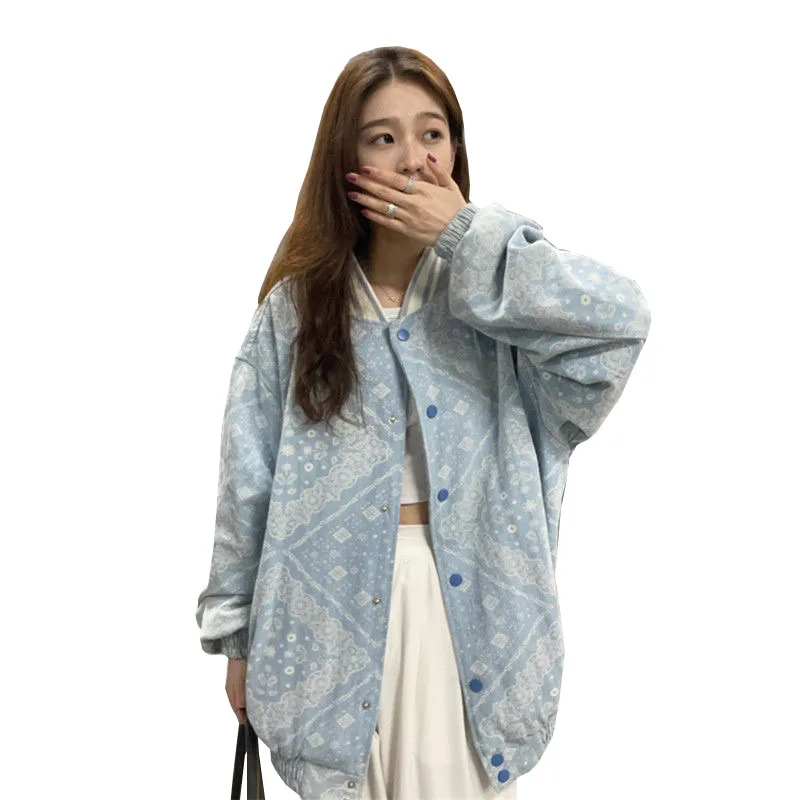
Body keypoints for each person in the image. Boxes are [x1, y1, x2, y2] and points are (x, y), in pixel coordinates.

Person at [195, 46, 651, 800]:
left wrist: (467, 236)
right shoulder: (294, 311)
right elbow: (248, 484)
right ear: (346, 162)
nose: (414, 159)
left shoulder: (510, 307)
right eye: (383, 138)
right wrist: (236, 638)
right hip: (322, 629)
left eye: (432, 134)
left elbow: (620, 322)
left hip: (469, 622)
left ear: (457, 152)